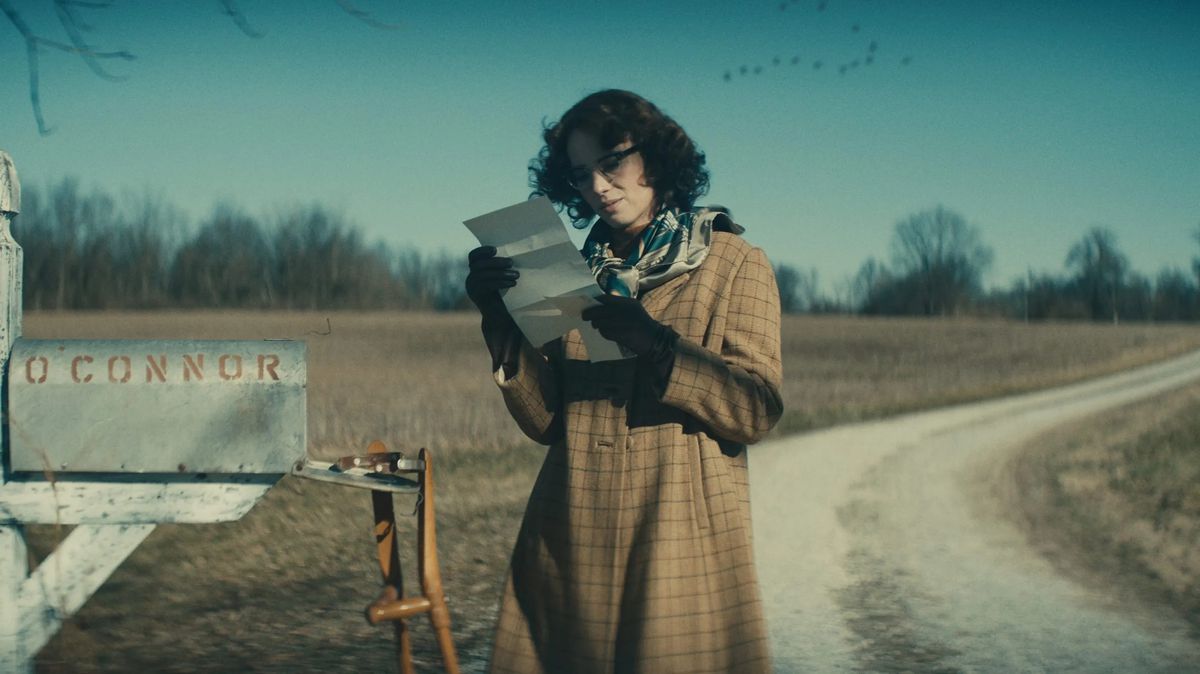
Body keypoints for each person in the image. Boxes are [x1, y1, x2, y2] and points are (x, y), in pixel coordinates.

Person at [465, 89, 783, 674]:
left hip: (677, 540)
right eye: (582, 174)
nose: (599, 187)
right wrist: (497, 316)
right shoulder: (567, 274)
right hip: (569, 535)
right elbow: (548, 420)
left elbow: (757, 409)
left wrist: (658, 344)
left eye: (612, 163)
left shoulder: (734, 262)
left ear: (657, 159)